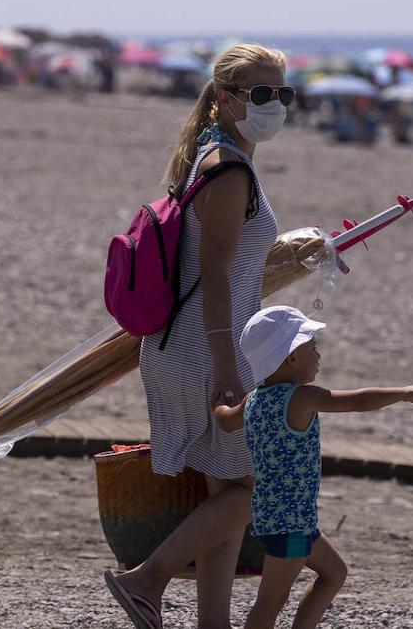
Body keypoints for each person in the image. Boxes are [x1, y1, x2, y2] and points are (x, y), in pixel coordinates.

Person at [104, 43, 291, 629]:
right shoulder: (229, 169)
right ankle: (146, 579)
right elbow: (212, 276)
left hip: (191, 343)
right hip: (206, 348)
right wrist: (229, 368)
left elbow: (225, 265)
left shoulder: (217, 158)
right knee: (257, 489)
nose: (275, 104)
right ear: (226, 96)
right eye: (261, 93)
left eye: (283, 93)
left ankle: (213, 621)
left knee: (224, 494)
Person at [213, 306, 413, 629]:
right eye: (312, 348)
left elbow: (226, 422)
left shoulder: (253, 400)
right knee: (270, 601)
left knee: (334, 573)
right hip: (292, 520)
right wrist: (401, 393)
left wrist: (218, 403)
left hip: (278, 514)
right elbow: (357, 401)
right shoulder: (301, 398)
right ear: (291, 359)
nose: (318, 355)